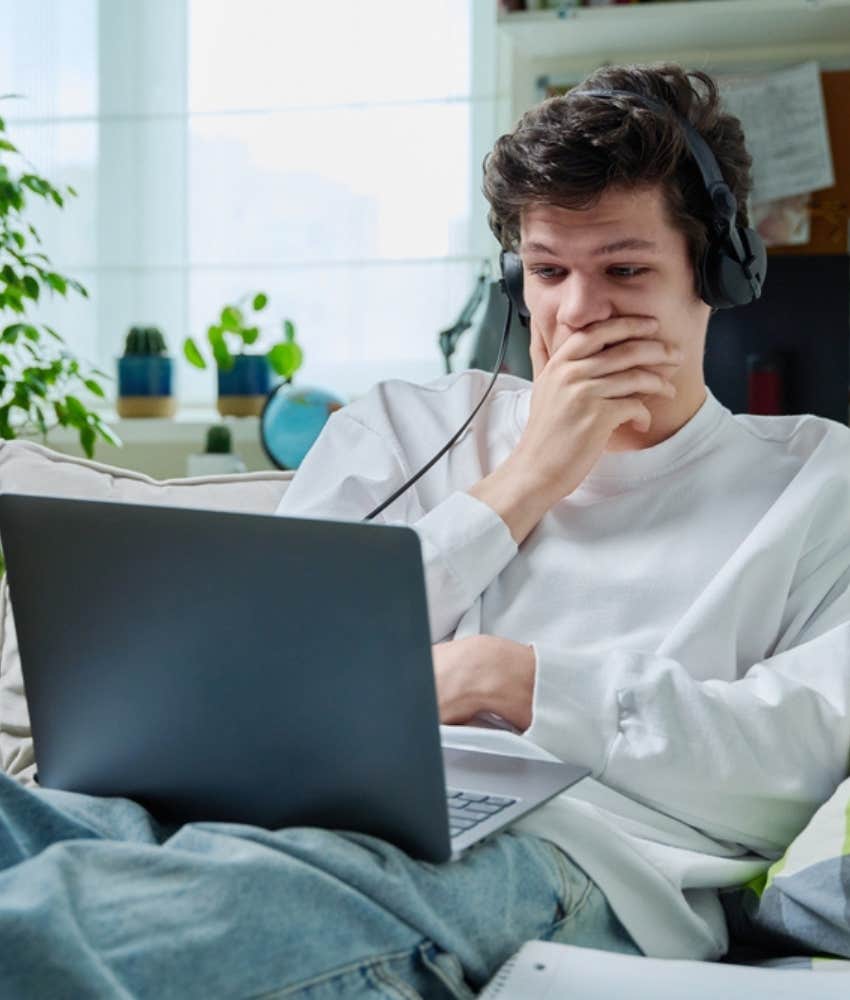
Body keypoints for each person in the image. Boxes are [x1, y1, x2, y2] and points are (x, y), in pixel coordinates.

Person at [0, 62, 848, 998]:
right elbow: (261, 672)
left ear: (719, 274)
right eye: (549, 270)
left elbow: (792, 761)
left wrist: (512, 678)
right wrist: (523, 484)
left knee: (56, 928)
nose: (577, 312)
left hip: (561, 863)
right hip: (278, 806)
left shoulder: (816, 482)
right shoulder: (402, 426)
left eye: (625, 269)